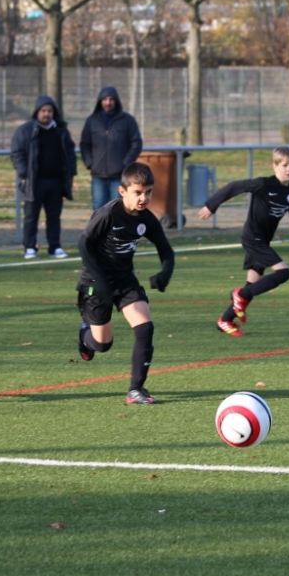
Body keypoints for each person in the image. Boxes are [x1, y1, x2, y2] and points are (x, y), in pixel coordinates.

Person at [75, 161, 175, 404]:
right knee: (102, 344)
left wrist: (165, 272)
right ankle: (85, 335)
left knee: (145, 327)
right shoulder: (107, 214)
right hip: (95, 282)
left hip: (124, 280)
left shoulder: (147, 219)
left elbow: (166, 250)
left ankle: (136, 389)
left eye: (148, 192)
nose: (144, 198)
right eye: (138, 192)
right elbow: (84, 245)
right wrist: (100, 282)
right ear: (123, 191)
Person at [199, 146, 289, 336]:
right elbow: (233, 187)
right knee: (283, 273)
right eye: (285, 165)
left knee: (252, 285)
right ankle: (239, 295)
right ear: (274, 166)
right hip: (253, 239)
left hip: (264, 241)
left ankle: (225, 320)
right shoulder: (263, 184)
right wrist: (211, 205)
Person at [10, 95, 77, 259]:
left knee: (54, 217)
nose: (46, 114)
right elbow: (17, 153)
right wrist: (24, 173)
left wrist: (70, 173)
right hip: (34, 182)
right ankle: (30, 247)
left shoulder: (61, 131)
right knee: (31, 217)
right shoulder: (25, 131)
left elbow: (69, 152)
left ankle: (55, 246)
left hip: (55, 182)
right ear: (37, 112)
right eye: (43, 111)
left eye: (49, 111)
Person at [80, 86, 143, 211]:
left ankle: (117, 232)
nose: (108, 102)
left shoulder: (127, 121)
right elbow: (84, 144)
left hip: (119, 175)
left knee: (119, 209)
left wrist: (126, 163)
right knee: (99, 209)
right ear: (100, 101)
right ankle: (101, 231)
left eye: (111, 99)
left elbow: (136, 143)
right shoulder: (91, 121)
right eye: (105, 99)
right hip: (98, 175)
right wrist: (90, 163)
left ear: (116, 101)